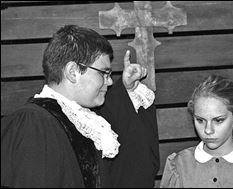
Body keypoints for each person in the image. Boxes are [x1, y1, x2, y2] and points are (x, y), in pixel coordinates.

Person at [1, 25, 159, 188]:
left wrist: (127, 89)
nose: (109, 81)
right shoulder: (33, 124)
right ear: (73, 72)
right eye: (103, 73)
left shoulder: (82, 122)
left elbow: (128, 171)